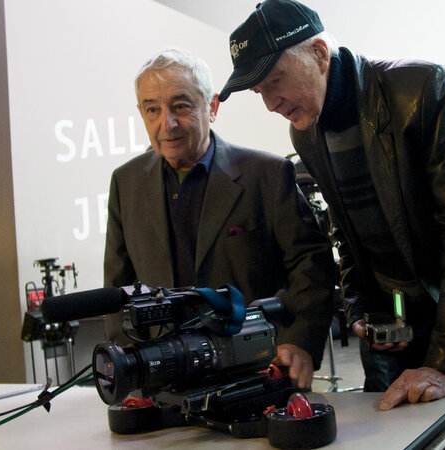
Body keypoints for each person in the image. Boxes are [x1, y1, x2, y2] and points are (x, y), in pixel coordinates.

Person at [218, 1, 445, 448]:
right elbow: (347, 232)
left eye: (274, 82)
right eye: (257, 92)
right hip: (415, 331)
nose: (268, 104)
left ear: (319, 54)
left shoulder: (420, 88)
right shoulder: (305, 131)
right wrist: (362, 308)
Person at [103, 47, 336, 389]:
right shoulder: (126, 182)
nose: (166, 124)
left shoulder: (267, 175)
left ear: (211, 108)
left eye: (180, 106)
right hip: (164, 384)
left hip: (256, 376)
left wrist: (300, 340)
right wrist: (129, 367)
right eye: (152, 109)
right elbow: (118, 289)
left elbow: (311, 266)